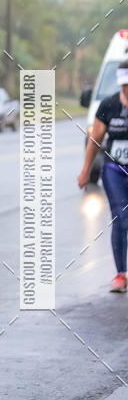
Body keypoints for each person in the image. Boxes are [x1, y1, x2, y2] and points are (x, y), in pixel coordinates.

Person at [78, 60, 128, 293]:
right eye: (124, 85)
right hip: (115, 170)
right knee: (120, 217)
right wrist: (86, 170)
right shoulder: (108, 106)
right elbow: (95, 140)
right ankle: (121, 275)